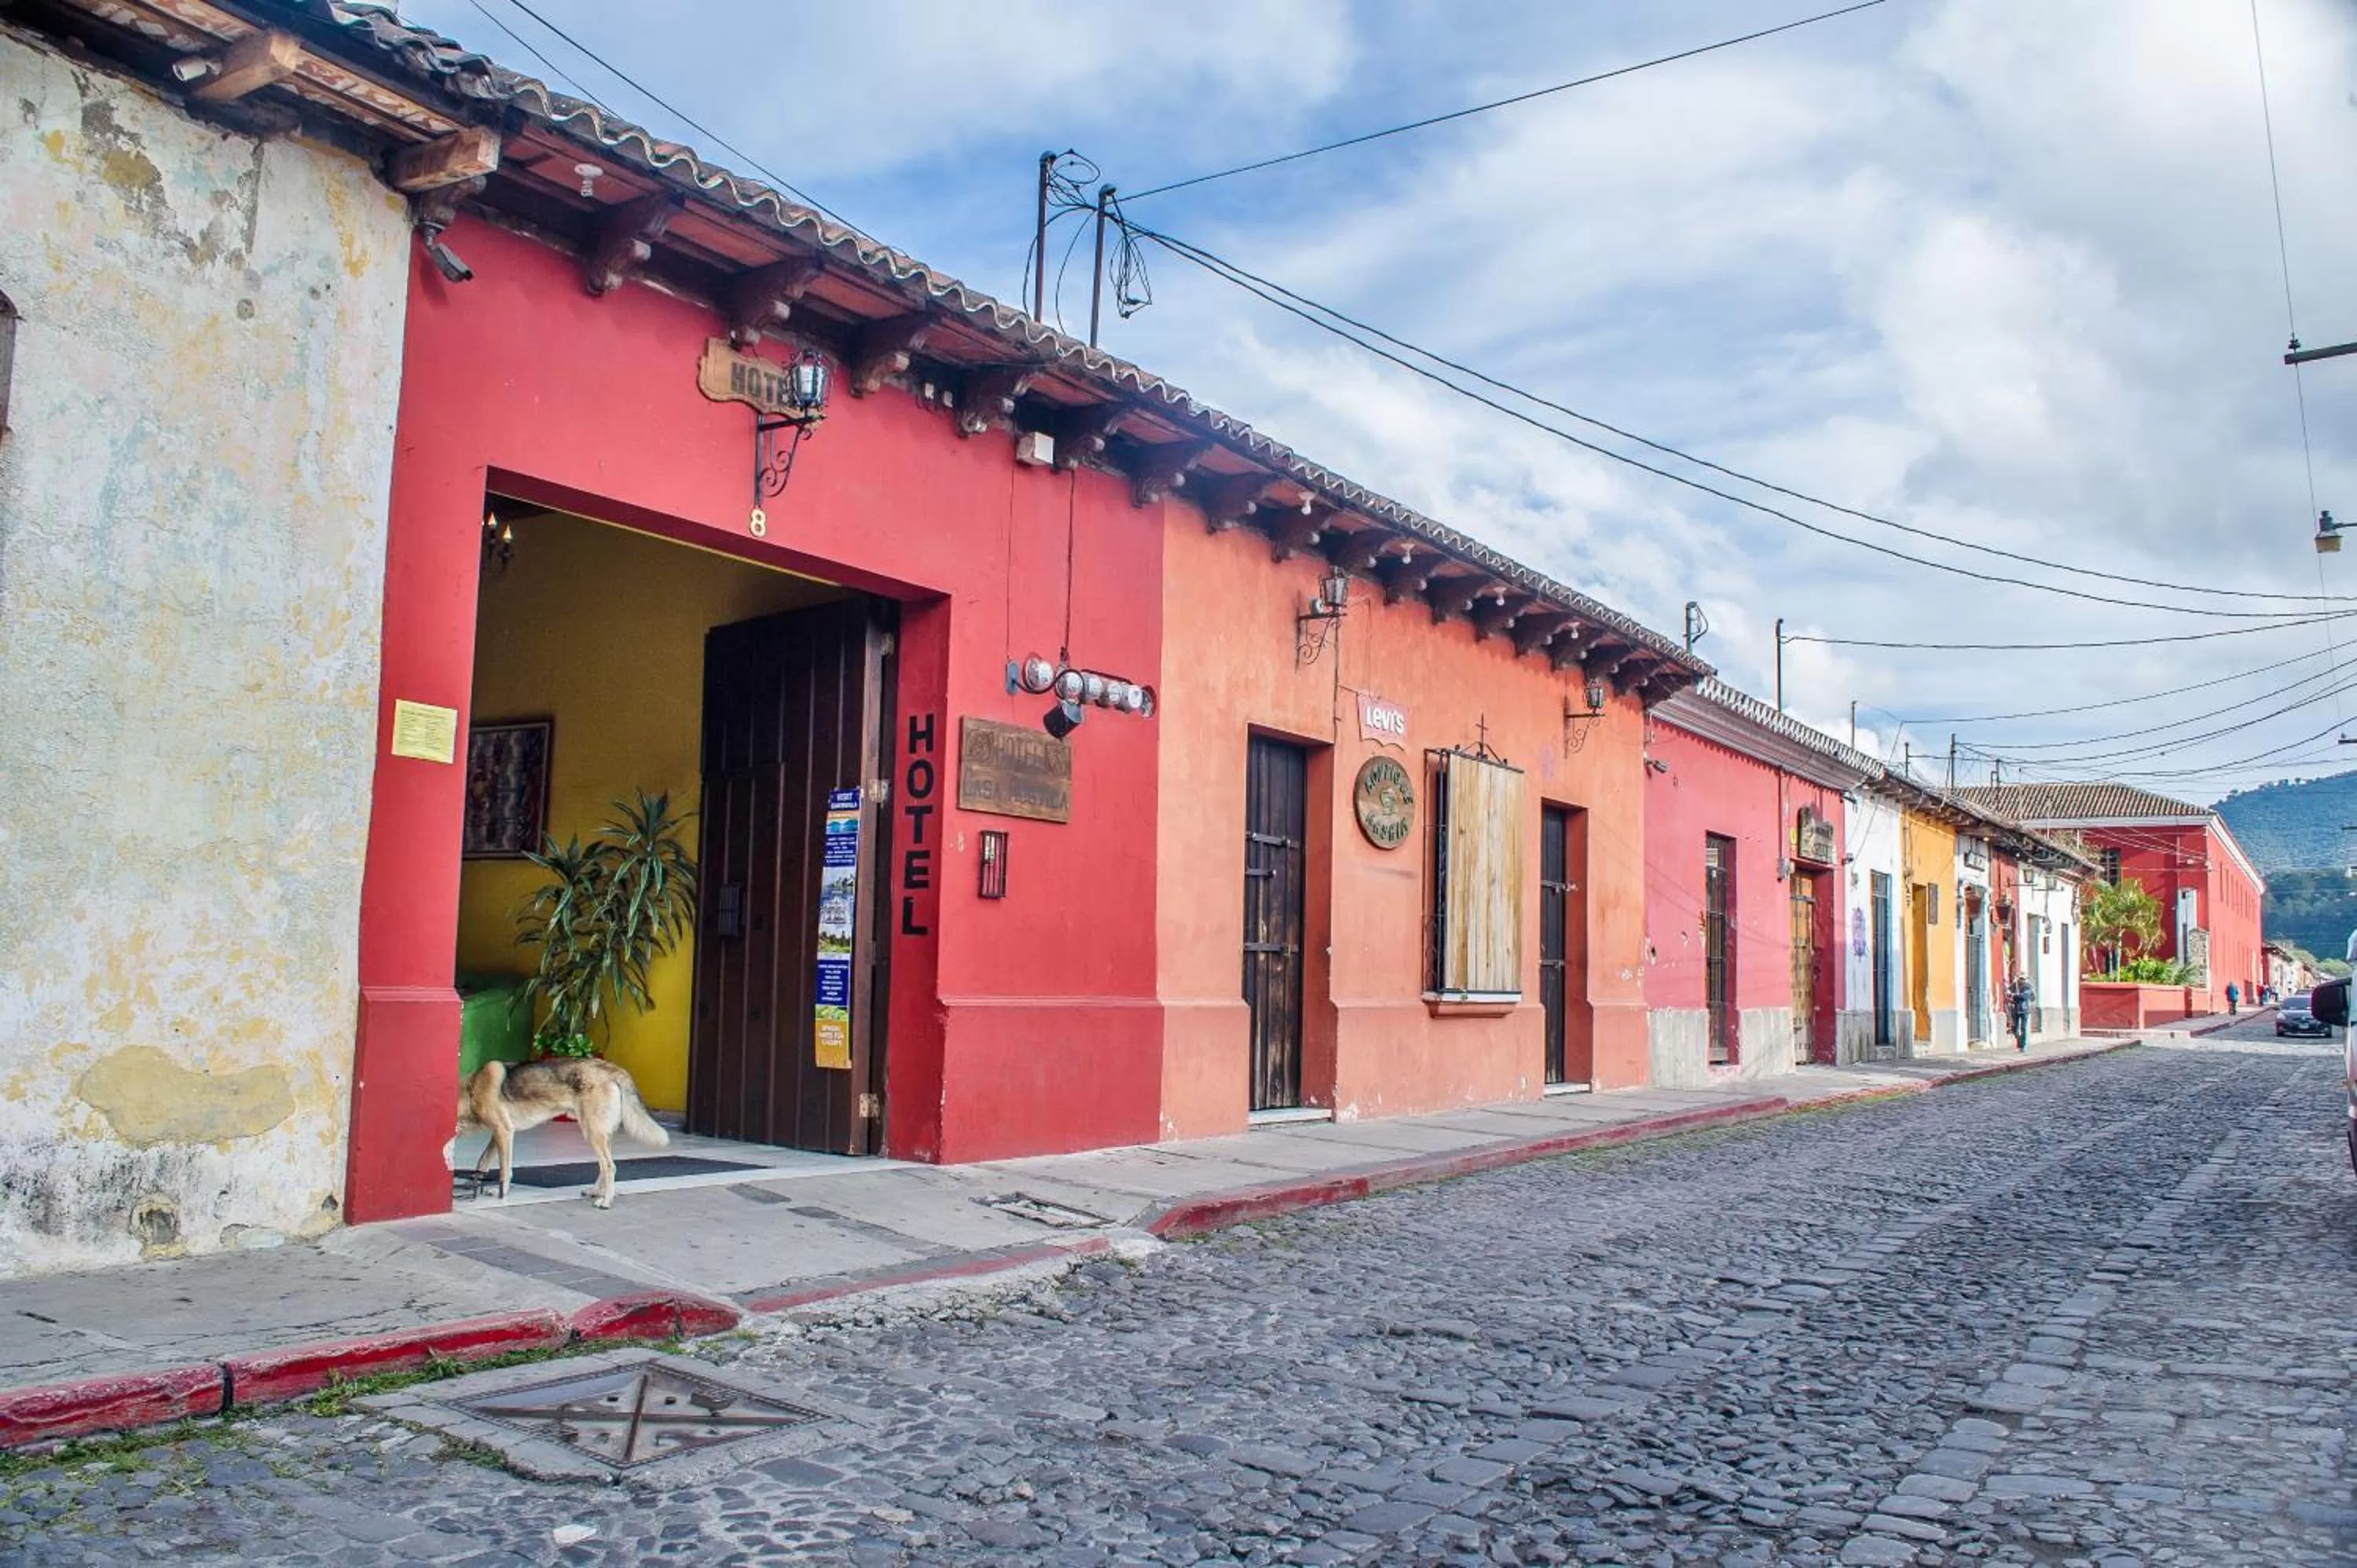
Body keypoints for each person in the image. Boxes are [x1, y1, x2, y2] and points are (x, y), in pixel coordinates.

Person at [2007, 972, 2033, 1053]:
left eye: (2023, 979)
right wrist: (2009, 993)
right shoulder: (2014, 985)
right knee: (2014, 1028)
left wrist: (2013, 995)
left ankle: (2023, 1046)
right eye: (2021, 979)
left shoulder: (2028, 986)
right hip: (2015, 1009)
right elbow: (2008, 992)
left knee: (2023, 1028)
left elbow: (2024, 997)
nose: (2022, 980)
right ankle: (2019, 1041)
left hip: (2024, 1009)